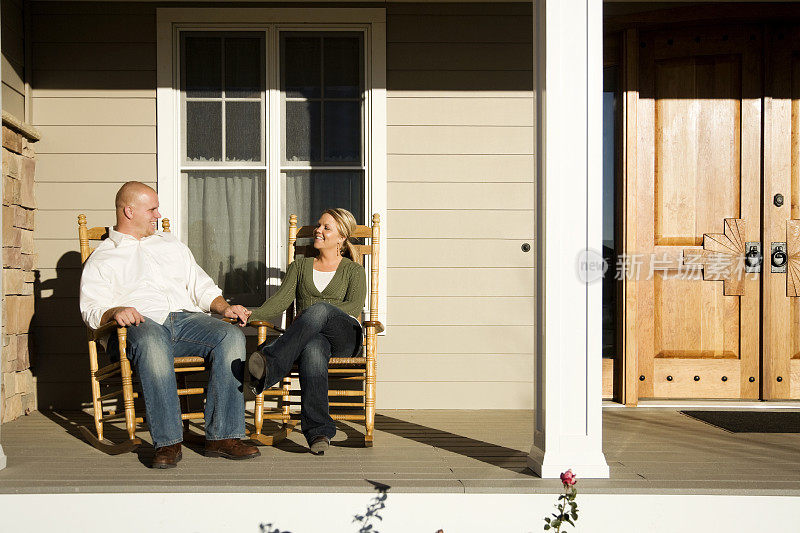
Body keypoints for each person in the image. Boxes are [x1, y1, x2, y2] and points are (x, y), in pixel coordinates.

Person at [79, 181, 260, 468]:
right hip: (138, 327)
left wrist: (225, 307)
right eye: (151, 209)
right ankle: (169, 442)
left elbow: (200, 285)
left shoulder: (170, 244)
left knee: (229, 335)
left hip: (186, 321)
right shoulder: (103, 257)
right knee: (152, 340)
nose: (157, 214)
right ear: (129, 211)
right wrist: (116, 311)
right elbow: (91, 309)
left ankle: (222, 436)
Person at [247, 208, 366, 455]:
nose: (318, 231)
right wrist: (251, 316)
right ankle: (319, 432)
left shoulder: (353, 270)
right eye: (318, 225)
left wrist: (315, 312)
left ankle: (270, 364)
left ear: (341, 237)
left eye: (326, 228)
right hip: (311, 340)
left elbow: (354, 307)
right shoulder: (299, 267)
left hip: (345, 338)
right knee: (312, 349)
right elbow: (279, 302)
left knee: (320, 310)